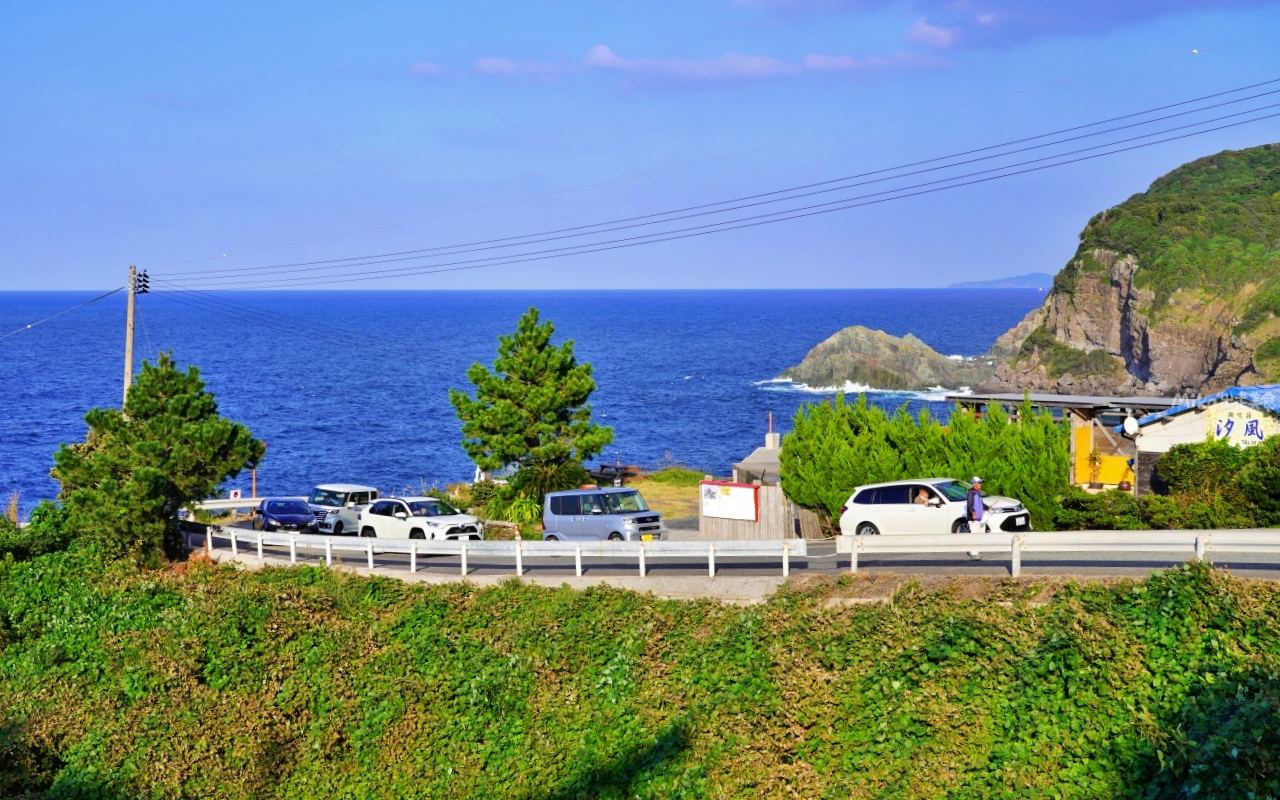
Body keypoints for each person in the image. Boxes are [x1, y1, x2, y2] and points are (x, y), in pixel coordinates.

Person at [965, 476, 985, 560]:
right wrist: (972, 511)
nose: (980, 484)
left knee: (977, 535)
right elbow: (970, 504)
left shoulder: (978, 493)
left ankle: (976, 553)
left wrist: (988, 507)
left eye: (980, 483)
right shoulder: (971, 493)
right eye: (979, 483)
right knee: (974, 535)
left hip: (978, 519)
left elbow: (980, 504)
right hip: (973, 519)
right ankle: (973, 554)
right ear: (974, 484)